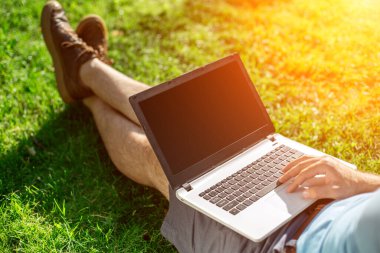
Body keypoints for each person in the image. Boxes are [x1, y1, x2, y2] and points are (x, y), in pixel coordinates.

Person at [41, 1, 380, 252]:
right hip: (329, 195)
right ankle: (84, 73)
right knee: (190, 126)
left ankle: (85, 77)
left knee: (164, 162)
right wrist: (359, 181)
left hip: (277, 244)